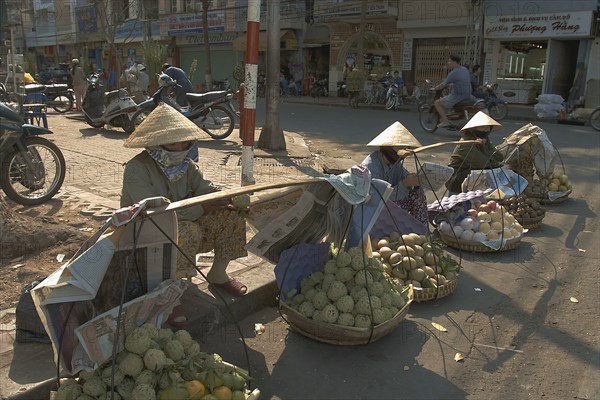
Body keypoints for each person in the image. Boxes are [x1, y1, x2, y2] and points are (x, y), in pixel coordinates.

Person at [120, 104, 249, 324]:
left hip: (184, 223)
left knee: (232, 215)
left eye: (184, 142)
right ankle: (168, 296)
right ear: (156, 143)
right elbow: (156, 214)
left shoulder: (187, 167)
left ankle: (218, 274)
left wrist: (228, 197)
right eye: (172, 143)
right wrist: (202, 208)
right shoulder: (136, 169)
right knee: (186, 230)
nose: (180, 147)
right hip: (144, 233)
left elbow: (205, 189)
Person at [361, 121, 428, 226]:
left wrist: (415, 180)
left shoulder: (395, 164)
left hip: (388, 203)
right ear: (388, 147)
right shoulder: (372, 166)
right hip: (372, 209)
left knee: (417, 194)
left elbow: (406, 177)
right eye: (399, 148)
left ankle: (421, 230)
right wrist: (404, 184)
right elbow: (377, 199)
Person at [444, 111, 505, 195]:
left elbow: (499, 157)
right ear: (473, 129)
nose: (485, 130)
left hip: (475, 182)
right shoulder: (465, 144)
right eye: (482, 127)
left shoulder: (484, 140)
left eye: (487, 128)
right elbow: (484, 164)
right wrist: (484, 148)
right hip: (458, 182)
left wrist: (486, 146)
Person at [433, 54, 472, 128]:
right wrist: (452, 84)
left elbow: (443, 85)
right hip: (468, 94)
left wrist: (435, 88)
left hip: (458, 95)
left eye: (449, 61)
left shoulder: (453, 73)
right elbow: (461, 81)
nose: (448, 63)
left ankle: (445, 121)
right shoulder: (464, 69)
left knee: (437, 103)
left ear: (454, 62)